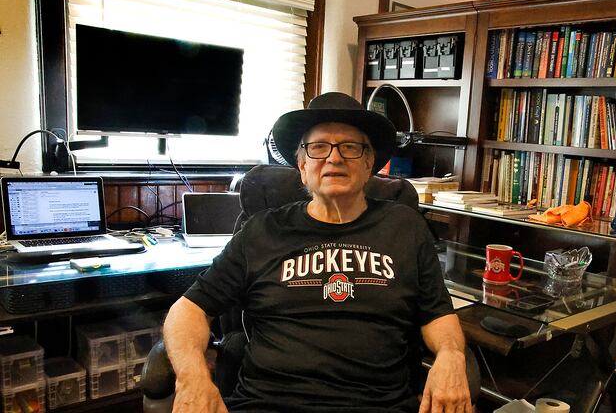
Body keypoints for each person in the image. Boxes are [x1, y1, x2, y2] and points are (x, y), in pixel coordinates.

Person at [163, 92, 471, 413]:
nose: (334, 158)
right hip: (267, 403)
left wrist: (451, 355)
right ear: (302, 164)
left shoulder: (405, 226)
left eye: (350, 147)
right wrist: (192, 377)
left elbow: (438, 314)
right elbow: (188, 311)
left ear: (369, 164)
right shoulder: (261, 230)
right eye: (319, 147)